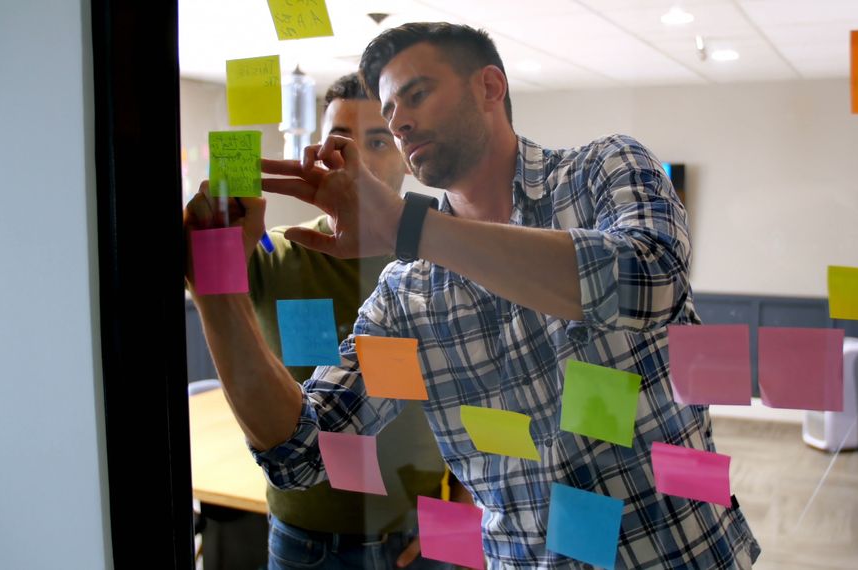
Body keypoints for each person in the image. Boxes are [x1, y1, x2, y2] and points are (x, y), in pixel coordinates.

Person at [187, 22, 761, 568]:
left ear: (489, 86)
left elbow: (648, 281)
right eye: (391, 110)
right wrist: (213, 277)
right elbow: (300, 451)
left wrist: (408, 230)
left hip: (679, 556)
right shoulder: (408, 294)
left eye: (417, 94)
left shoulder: (600, 170)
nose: (400, 123)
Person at [188, 74, 464, 570]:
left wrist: (463, 512)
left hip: (422, 532)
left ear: (405, 154)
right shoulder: (272, 251)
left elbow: (482, 395)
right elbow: (206, 282)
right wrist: (218, 226)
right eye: (338, 140)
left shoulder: (442, 257)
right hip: (303, 539)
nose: (352, 158)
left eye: (378, 141)